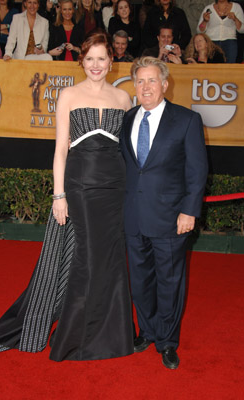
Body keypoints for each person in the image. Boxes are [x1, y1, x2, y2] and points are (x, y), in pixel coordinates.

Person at [0, 29, 134, 362]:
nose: (96, 65)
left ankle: (111, 333)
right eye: (90, 59)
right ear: (82, 61)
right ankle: (76, 334)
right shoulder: (68, 95)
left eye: (102, 58)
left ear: (111, 61)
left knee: (110, 260)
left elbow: (127, 151)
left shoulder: (124, 99)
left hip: (115, 188)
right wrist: (58, 195)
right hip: (79, 186)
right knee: (85, 259)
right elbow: (61, 150)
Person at [120, 56, 208, 369]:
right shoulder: (128, 118)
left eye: (152, 80)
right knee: (140, 282)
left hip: (172, 219)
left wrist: (189, 211)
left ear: (165, 84)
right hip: (134, 216)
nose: (145, 87)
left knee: (169, 282)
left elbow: (197, 171)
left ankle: (168, 342)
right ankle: (147, 331)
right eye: (140, 81)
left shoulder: (186, 120)